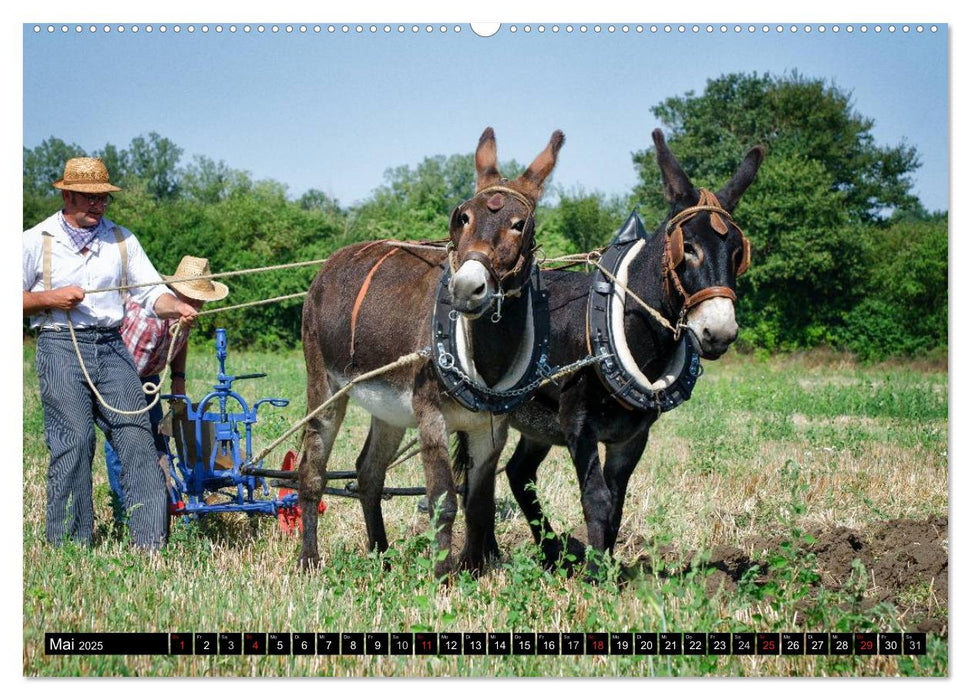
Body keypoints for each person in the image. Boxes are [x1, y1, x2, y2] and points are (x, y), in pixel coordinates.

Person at [23, 157, 199, 550]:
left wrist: (178, 307)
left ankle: (150, 545)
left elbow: (152, 293)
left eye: (103, 198)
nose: (98, 205)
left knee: (138, 437)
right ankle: (70, 545)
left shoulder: (123, 240)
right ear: (67, 195)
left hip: (112, 346)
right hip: (59, 344)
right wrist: (50, 298)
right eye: (89, 198)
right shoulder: (35, 240)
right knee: (75, 440)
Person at [103, 256, 229, 522]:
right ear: (176, 293)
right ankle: (126, 514)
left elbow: (180, 342)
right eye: (193, 299)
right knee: (122, 443)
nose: (198, 306)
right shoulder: (148, 319)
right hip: (122, 378)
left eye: (201, 300)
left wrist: (178, 378)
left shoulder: (183, 317)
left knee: (159, 441)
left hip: (149, 380)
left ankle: (161, 501)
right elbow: (124, 359)